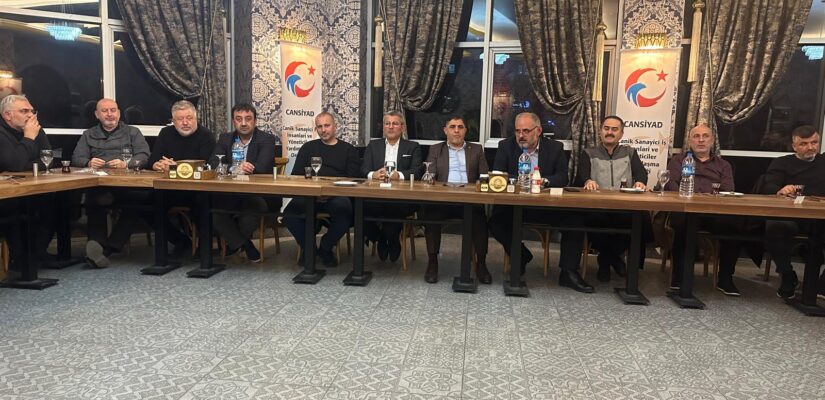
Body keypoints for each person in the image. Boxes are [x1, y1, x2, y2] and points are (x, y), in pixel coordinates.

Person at [488, 112, 593, 293]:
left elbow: (562, 177)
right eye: (518, 131)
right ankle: (520, 255)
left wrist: (543, 181)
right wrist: (523, 181)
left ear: (538, 131)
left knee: (575, 219)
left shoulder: (555, 148)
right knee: (495, 221)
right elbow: (499, 173)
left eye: (526, 131)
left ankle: (568, 272)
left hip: (547, 205)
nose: (521, 135)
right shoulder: (506, 146)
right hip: (515, 205)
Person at [72, 98, 151, 268]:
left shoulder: (132, 132)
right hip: (101, 185)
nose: (110, 114)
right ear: (97, 115)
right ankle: (97, 245)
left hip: (128, 185)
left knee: (138, 201)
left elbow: (144, 155)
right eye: (105, 111)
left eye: (113, 110)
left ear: (119, 113)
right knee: (95, 200)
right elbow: (77, 158)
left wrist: (127, 163)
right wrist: (88, 162)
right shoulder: (88, 134)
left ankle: (107, 248)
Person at [666, 124, 743, 295]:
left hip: (712, 212)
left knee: (735, 228)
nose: (701, 140)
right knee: (683, 225)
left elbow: (728, 189)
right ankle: (680, 277)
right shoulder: (678, 161)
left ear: (712, 140)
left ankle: (725, 279)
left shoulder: (723, 165)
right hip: (685, 210)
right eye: (696, 136)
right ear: (690, 140)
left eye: (705, 136)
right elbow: (671, 185)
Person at [575, 115, 648, 282]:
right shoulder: (589, 153)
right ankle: (612, 260)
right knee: (596, 220)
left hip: (624, 205)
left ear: (621, 134)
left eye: (614, 129)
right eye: (606, 128)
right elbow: (581, 176)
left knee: (639, 220)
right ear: (600, 132)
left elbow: (641, 174)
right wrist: (588, 181)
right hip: (597, 205)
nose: (610, 132)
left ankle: (605, 260)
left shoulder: (630, 153)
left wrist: (640, 182)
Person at [283, 112, 360, 267]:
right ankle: (309, 248)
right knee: (289, 214)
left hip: (336, 196)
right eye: (319, 127)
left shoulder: (348, 149)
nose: (323, 130)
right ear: (316, 129)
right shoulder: (308, 148)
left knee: (346, 211)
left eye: (327, 125)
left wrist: (329, 193)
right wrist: (314, 193)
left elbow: (353, 179)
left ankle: (326, 247)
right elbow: (296, 176)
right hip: (310, 196)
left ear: (335, 126)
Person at [421, 116, 490, 284]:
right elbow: (430, 175)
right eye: (452, 127)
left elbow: (484, 176)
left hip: (469, 200)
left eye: (460, 127)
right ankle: (432, 262)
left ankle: (481, 263)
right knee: (431, 216)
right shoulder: (436, 149)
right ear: (446, 130)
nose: (456, 130)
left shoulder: (476, 149)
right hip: (443, 199)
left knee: (480, 219)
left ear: (465, 130)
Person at [761, 125, 824, 299]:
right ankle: (787, 274)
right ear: (794, 146)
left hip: (820, 216)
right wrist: (781, 190)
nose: (810, 147)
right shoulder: (782, 162)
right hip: (792, 216)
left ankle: (821, 283)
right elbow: (768, 186)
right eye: (804, 144)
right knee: (775, 227)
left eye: (814, 143)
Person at [146, 100, 216, 257]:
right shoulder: (166, 133)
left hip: (197, 190)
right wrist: (158, 165)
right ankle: (181, 241)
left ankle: (204, 251)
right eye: (180, 119)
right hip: (170, 189)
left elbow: (207, 166)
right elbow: (152, 160)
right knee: (146, 205)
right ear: (173, 121)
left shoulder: (206, 135)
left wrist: (175, 167)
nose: (185, 122)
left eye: (189, 118)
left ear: (196, 118)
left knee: (203, 204)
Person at [208, 103, 276, 262]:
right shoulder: (225, 138)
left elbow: (263, 166)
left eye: (248, 119)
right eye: (239, 119)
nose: (243, 123)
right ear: (233, 122)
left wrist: (249, 168)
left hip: (258, 193)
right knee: (213, 210)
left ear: (255, 121)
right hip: (230, 193)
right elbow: (213, 163)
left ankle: (234, 244)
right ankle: (245, 244)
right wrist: (234, 167)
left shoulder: (266, 139)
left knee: (250, 214)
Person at [0, 94, 53, 279]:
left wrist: (26, 163)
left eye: (32, 111)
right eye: (24, 111)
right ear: (8, 115)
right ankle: (21, 259)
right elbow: (14, 164)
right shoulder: (3, 133)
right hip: (5, 194)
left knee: (56, 202)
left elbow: (48, 159)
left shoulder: (35, 128)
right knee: (17, 207)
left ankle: (35, 254)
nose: (31, 115)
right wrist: (29, 138)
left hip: (30, 187)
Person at [360, 111, 421, 262]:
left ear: (402, 127)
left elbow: (418, 171)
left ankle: (392, 239)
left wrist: (399, 175)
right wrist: (373, 174)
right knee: (358, 208)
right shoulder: (373, 146)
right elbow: (363, 170)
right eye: (387, 123)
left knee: (394, 207)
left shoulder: (412, 147)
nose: (391, 127)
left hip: (401, 197)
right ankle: (380, 238)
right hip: (375, 196)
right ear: (383, 127)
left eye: (395, 123)